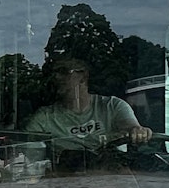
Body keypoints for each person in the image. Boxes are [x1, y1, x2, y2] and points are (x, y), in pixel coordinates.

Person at [24, 57, 152, 154]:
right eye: (53, 73)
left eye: (63, 72)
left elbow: (131, 127)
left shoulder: (112, 106)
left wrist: (137, 131)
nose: (56, 77)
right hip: (65, 181)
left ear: (83, 77)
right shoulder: (44, 118)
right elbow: (26, 151)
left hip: (113, 179)